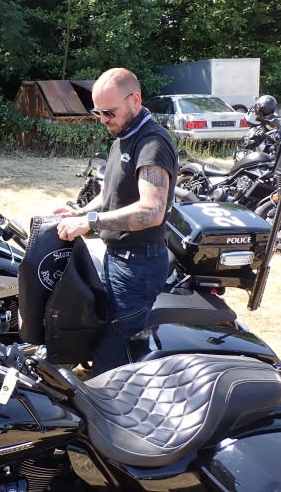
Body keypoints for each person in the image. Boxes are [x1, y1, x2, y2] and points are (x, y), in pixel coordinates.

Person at [55, 67, 177, 375]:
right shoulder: (123, 136)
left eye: (109, 112)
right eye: (97, 112)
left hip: (137, 264)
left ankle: (108, 398)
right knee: (102, 327)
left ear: (135, 100)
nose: (103, 120)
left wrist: (91, 222)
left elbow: (151, 211)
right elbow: (110, 194)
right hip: (118, 256)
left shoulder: (151, 144)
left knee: (115, 349)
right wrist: (80, 213)